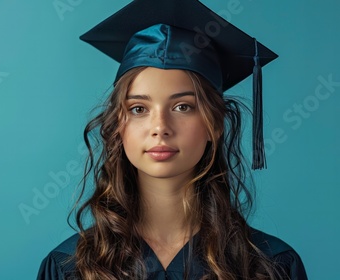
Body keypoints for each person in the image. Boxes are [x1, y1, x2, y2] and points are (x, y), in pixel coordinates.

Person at [37, 0, 307, 279]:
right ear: (118, 125)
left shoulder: (271, 266)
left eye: (183, 107)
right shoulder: (71, 268)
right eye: (138, 109)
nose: (160, 127)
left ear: (215, 124)